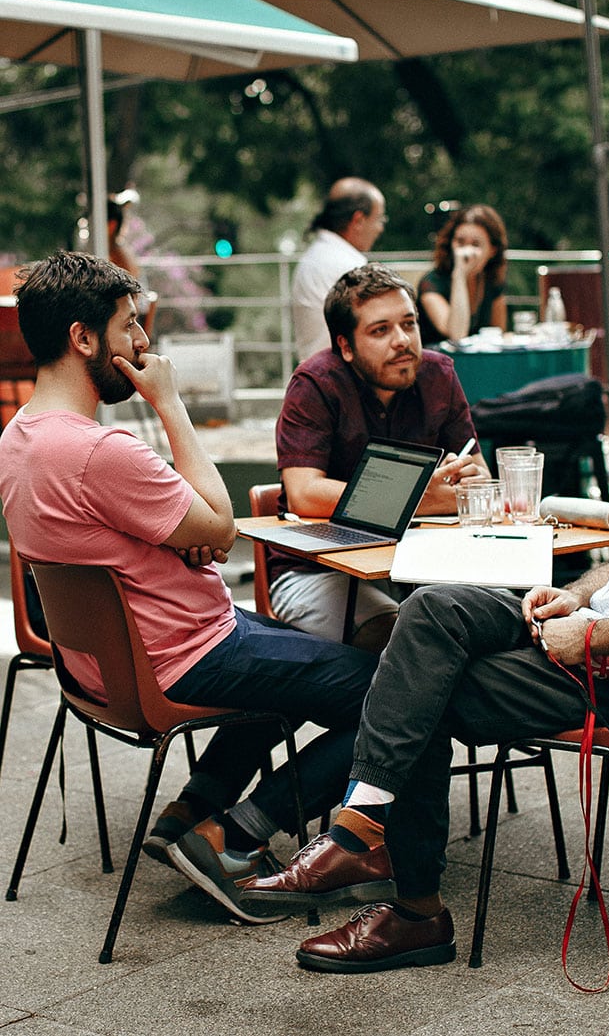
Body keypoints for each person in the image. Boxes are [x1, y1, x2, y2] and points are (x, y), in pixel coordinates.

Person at [236, 280, 609, 973]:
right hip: (599, 637)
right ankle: (362, 823)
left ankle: (411, 906)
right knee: (433, 609)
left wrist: (592, 636)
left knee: (424, 680)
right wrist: (573, 597)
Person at [0, 250, 381, 927]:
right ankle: (233, 839)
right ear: (83, 338)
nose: (145, 344)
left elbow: (200, 532)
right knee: (388, 691)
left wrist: (194, 532)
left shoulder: (17, 438)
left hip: (106, 666)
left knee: (298, 655)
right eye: (129, 326)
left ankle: (191, 807)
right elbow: (221, 526)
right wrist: (171, 404)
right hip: (182, 654)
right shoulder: (99, 452)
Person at [271, 262, 491, 652]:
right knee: (408, 646)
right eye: (380, 330)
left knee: (505, 623)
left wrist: (459, 488)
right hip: (320, 570)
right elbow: (305, 493)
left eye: (409, 324)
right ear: (345, 347)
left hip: (422, 563)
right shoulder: (315, 383)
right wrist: (421, 499)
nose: (402, 340)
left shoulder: (439, 374)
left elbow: (479, 481)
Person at [291, 177, 386, 362]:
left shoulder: (315, 256)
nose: (380, 228)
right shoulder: (349, 266)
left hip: (314, 371)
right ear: (358, 220)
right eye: (379, 219)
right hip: (339, 377)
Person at [417, 204, 508, 345]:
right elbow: (456, 335)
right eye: (460, 242)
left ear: (492, 251)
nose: (466, 252)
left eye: (476, 245)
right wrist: (459, 275)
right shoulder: (431, 282)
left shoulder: (492, 282)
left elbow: (498, 335)